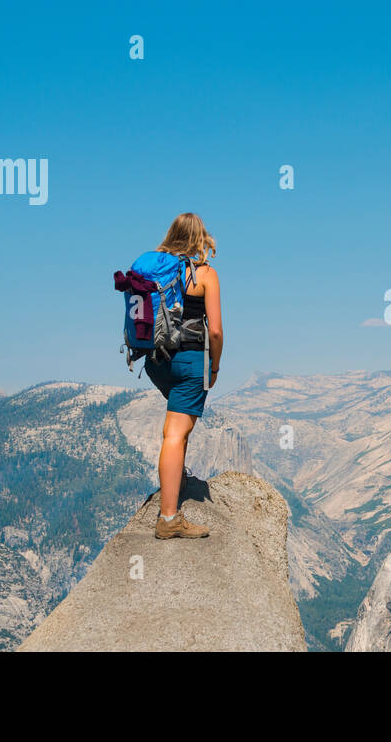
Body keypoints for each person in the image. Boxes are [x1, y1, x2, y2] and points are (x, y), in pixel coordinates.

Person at [143, 213, 224, 539]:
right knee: (176, 433)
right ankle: (169, 518)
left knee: (175, 429)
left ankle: (176, 481)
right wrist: (214, 367)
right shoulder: (205, 275)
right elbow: (215, 331)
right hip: (189, 361)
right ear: (200, 238)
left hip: (155, 360)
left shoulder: (154, 272)